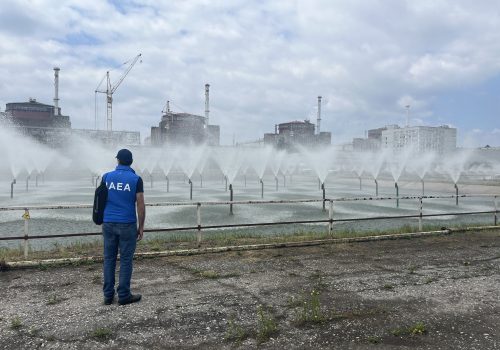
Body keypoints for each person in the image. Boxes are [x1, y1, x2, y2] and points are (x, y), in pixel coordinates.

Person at [101, 148, 145, 306]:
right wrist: (141, 227)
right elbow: (140, 204)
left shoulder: (106, 177)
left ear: (117, 160)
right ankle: (124, 295)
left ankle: (107, 295)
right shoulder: (136, 179)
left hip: (108, 222)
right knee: (126, 260)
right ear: (131, 162)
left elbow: (100, 200)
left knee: (109, 259)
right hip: (127, 224)